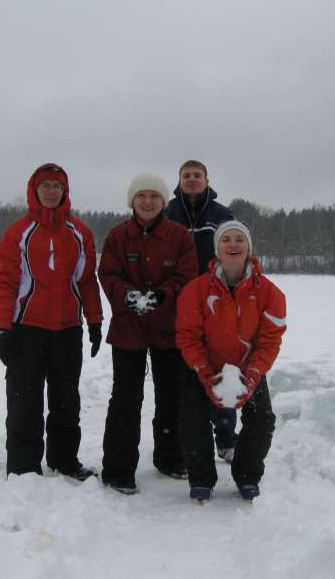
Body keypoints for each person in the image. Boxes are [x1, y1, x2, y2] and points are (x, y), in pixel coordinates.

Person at [0, 163, 103, 480]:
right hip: (26, 329)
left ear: (65, 192)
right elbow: (6, 282)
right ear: (35, 191)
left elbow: (86, 281)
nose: (52, 191)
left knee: (66, 400)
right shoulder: (19, 232)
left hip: (68, 329)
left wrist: (94, 321)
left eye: (58, 186)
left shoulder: (80, 232)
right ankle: (24, 466)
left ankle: (64, 460)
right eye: (46, 186)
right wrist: (3, 328)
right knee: (24, 401)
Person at [98, 173, 198, 495]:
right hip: (128, 329)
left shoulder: (180, 236)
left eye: (154, 196)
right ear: (132, 201)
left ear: (163, 201)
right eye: (141, 196)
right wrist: (128, 296)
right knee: (125, 399)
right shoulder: (117, 237)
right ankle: (117, 468)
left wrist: (162, 296)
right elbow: (108, 274)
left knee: (171, 396)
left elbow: (187, 276)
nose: (148, 201)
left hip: (169, 328)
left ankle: (169, 457)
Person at [176, 220, 286, 501]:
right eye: (226, 240)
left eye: (239, 239)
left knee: (262, 419)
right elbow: (187, 336)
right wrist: (203, 371)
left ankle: (247, 474)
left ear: (249, 247)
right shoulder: (196, 289)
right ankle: (201, 477)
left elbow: (270, 340)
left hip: (247, 369)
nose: (233, 244)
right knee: (192, 417)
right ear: (217, 249)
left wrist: (253, 375)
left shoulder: (271, 294)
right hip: (205, 367)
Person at [165, 160, 238, 463]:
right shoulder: (167, 213)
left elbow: (234, 256)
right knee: (183, 377)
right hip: (177, 305)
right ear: (179, 181)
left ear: (207, 180)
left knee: (221, 371)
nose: (192, 180)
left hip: (215, 306)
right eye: (187, 176)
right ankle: (187, 439)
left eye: (197, 175)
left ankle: (225, 437)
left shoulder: (222, 215)